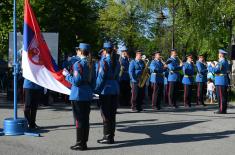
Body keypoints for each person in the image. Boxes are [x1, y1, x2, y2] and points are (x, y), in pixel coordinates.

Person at [63, 43, 93, 150]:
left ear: (80, 51)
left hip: (78, 95)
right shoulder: (91, 63)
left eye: (77, 50)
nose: (76, 52)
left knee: (79, 120)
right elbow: (93, 81)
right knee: (85, 120)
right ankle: (83, 142)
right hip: (87, 94)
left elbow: (76, 81)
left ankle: (80, 143)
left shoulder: (78, 64)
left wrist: (67, 76)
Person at [95, 42, 120, 144]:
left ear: (105, 51)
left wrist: (95, 90)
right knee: (112, 115)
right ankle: (111, 136)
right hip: (114, 89)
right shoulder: (117, 62)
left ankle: (107, 137)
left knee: (105, 115)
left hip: (105, 90)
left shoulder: (104, 61)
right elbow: (118, 76)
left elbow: (100, 78)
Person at [209, 49, 229, 114]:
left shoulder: (221, 62)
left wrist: (211, 66)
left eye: (219, 54)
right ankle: (224, 109)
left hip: (220, 80)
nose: (218, 55)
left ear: (221, 54)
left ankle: (221, 110)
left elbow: (216, 71)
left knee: (220, 96)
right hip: (223, 80)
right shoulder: (225, 61)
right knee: (224, 96)